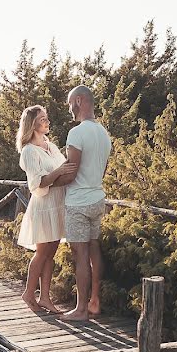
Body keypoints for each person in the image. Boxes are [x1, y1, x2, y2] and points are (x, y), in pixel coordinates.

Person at [54, 85, 112, 321]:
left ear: (79, 100)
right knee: (94, 248)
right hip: (98, 198)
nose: (69, 108)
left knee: (80, 254)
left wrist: (47, 183)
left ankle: (80, 310)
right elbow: (103, 170)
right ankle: (94, 302)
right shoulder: (104, 133)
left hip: (78, 202)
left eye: (70, 103)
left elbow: (70, 173)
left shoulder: (76, 133)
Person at [15, 105, 76, 313]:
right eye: (42, 119)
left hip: (58, 203)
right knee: (42, 253)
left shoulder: (50, 145)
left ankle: (45, 298)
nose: (47, 122)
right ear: (33, 124)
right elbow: (37, 183)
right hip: (44, 206)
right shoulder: (29, 151)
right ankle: (29, 293)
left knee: (52, 252)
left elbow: (64, 169)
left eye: (47, 118)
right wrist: (59, 171)